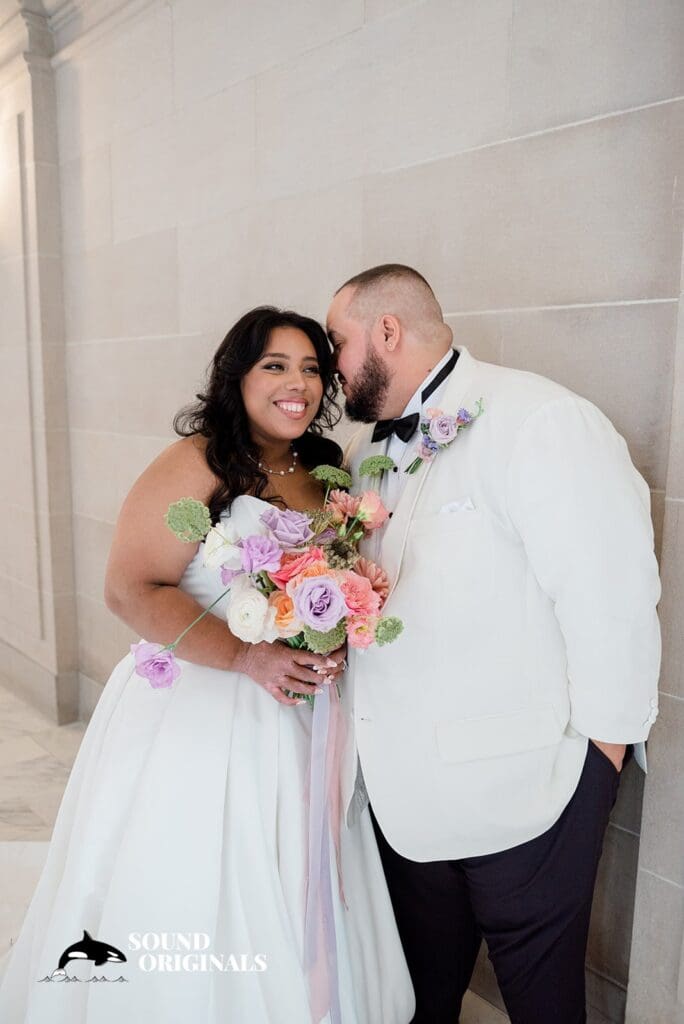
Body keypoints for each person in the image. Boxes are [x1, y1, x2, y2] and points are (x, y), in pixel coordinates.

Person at [0, 306, 414, 1024]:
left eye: (313, 368)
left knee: (293, 870)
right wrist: (245, 655)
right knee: (201, 872)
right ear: (238, 377)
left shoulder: (329, 466)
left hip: (300, 717)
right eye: (275, 367)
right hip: (200, 703)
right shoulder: (195, 462)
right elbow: (129, 588)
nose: (299, 385)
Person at [326, 264, 662, 1024]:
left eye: (336, 343)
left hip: (531, 802)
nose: (331, 368)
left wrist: (597, 771)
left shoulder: (539, 420)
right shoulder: (364, 455)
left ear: (387, 332)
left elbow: (611, 600)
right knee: (418, 1003)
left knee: (544, 1008)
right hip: (405, 808)